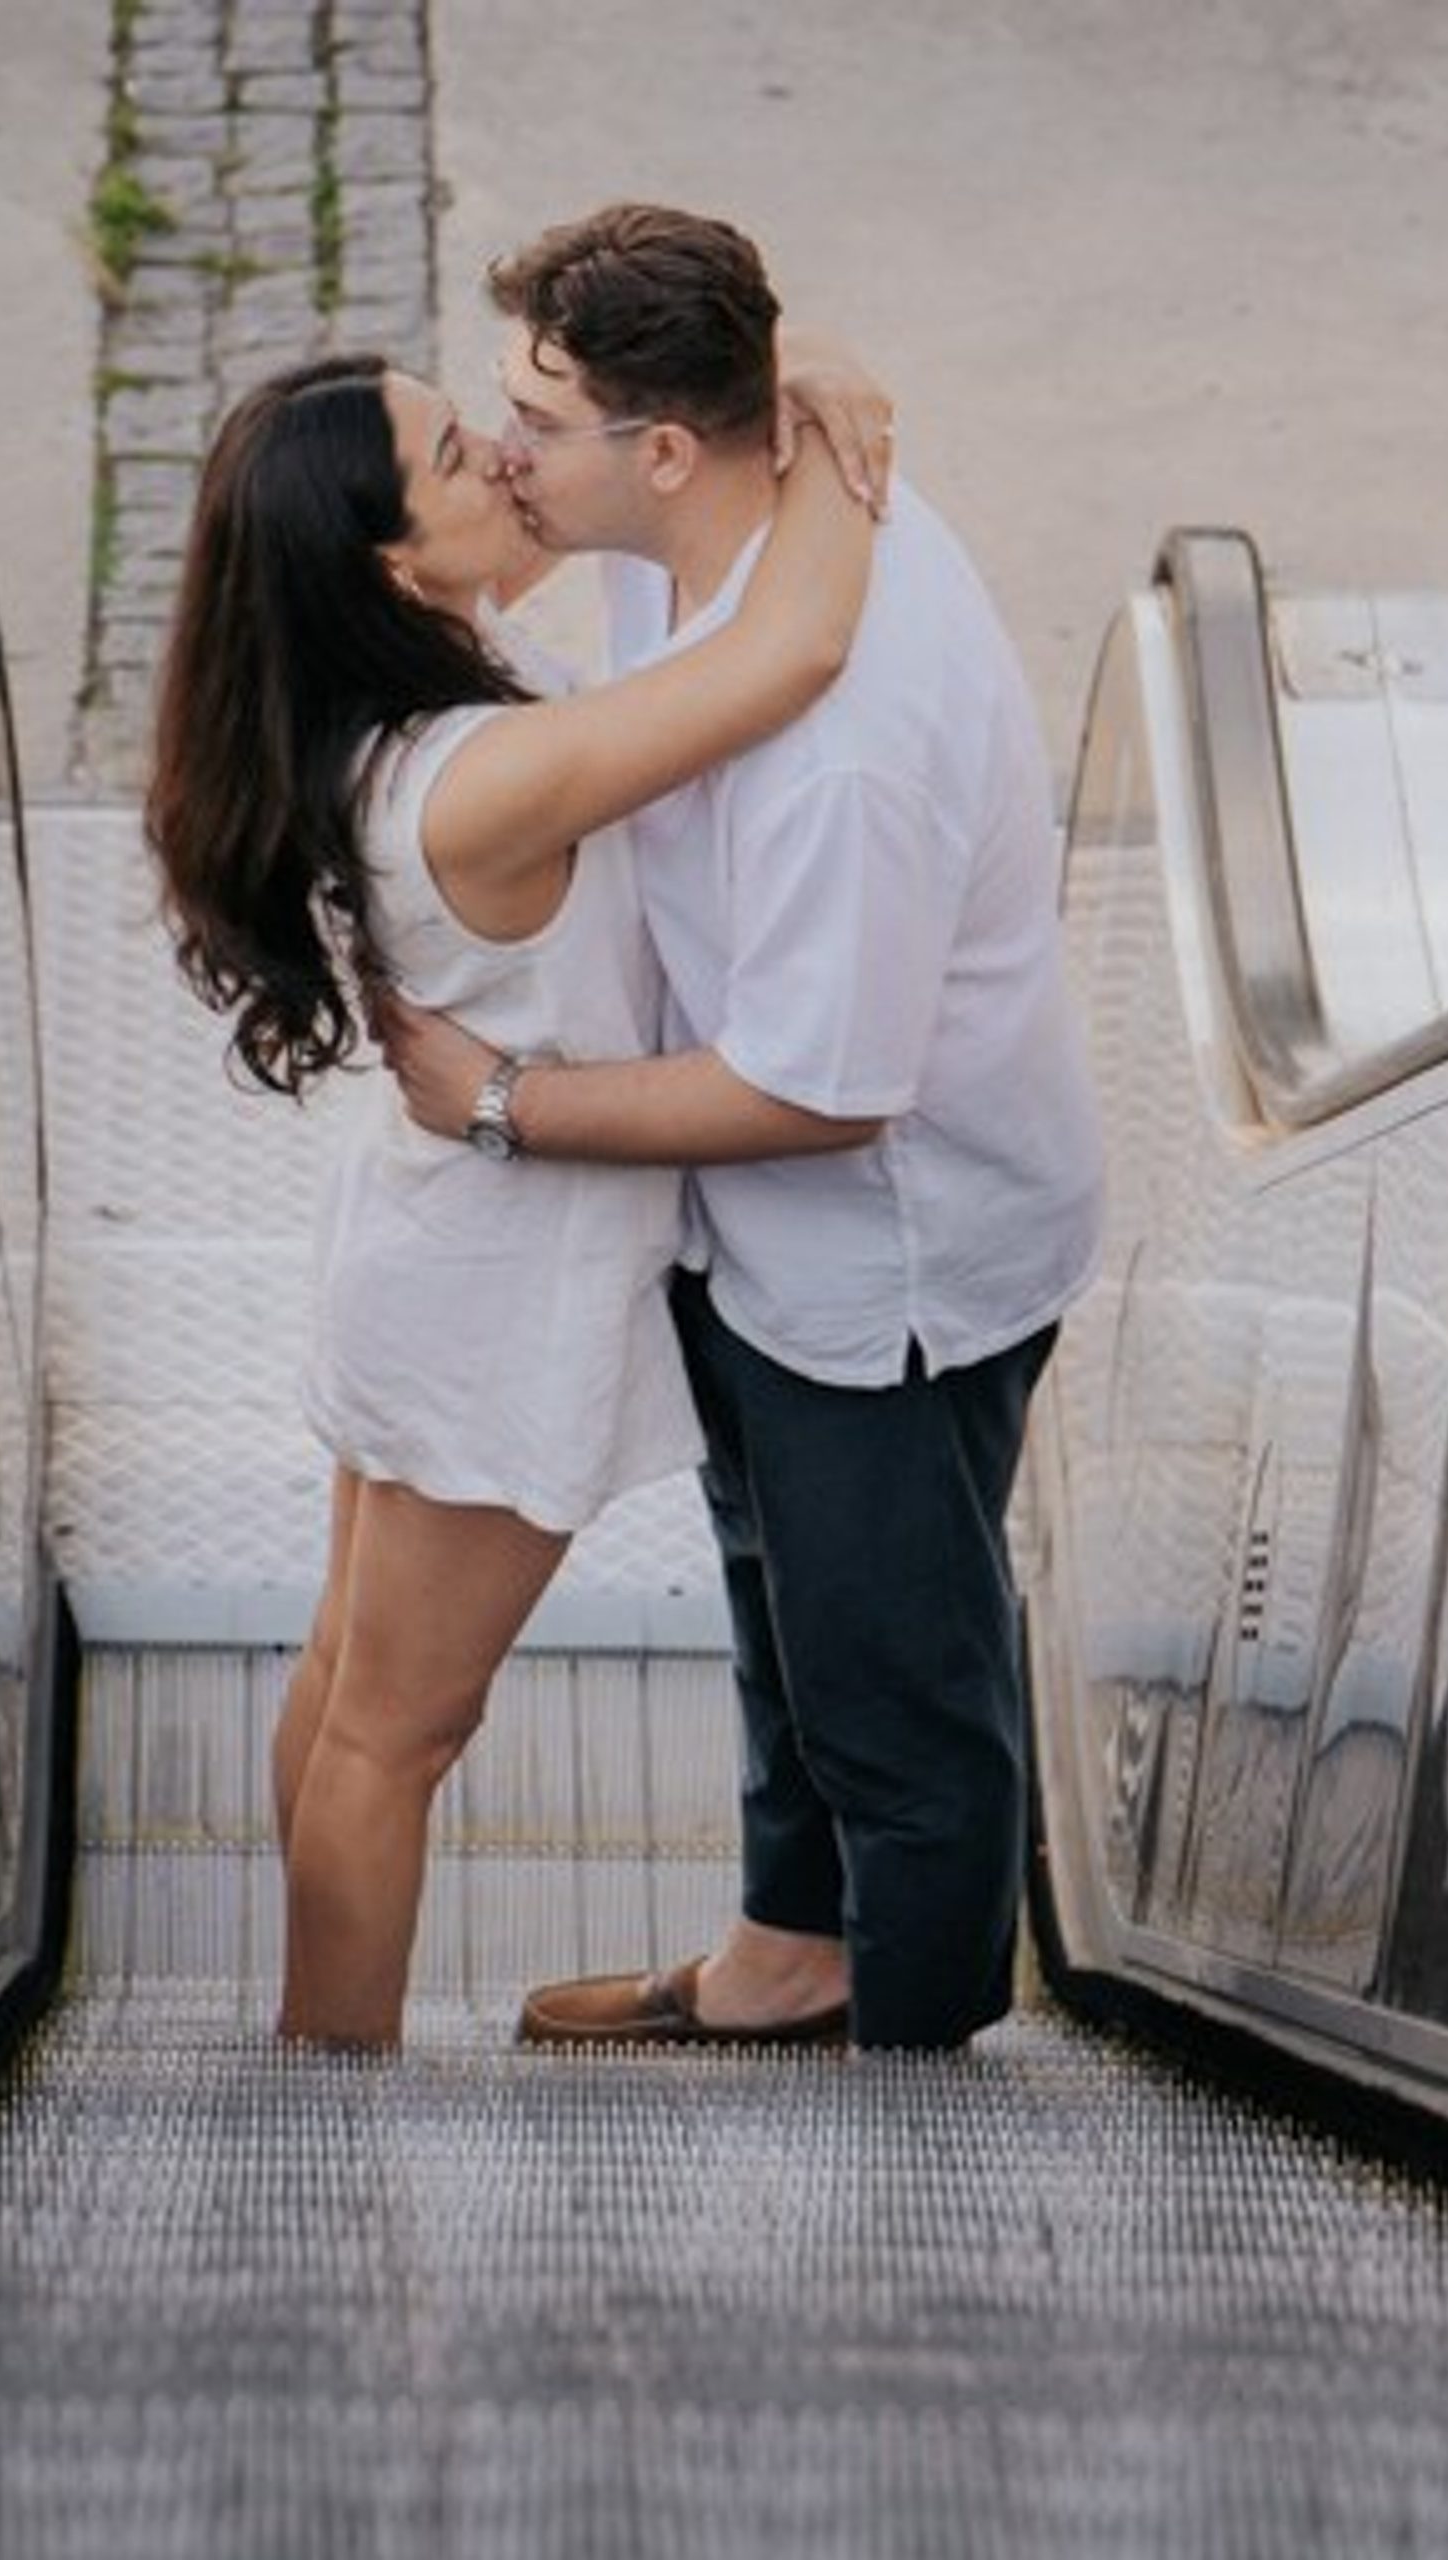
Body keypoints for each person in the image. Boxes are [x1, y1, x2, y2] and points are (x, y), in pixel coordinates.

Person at [383, 205, 1106, 2054]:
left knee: (896, 1696)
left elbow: (819, 1090)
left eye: (535, 421)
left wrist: (510, 1111)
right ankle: (792, 1949)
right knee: (783, 1599)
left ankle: (916, 2099)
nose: (501, 449)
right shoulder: (687, 514)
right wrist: (814, 353)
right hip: (764, 1239)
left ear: (670, 447)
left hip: (894, 1257)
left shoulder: (849, 753)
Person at [146, 345, 883, 2047]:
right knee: (396, 1733)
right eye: (466, 461)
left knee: (348, 1691)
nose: (511, 464)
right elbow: (801, 648)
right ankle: (328, 2089)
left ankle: (310, 2052)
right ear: (393, 567)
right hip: (489, 1295)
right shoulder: (476, 777)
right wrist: (835, 439)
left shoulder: (399, 711)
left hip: (423, 1250)